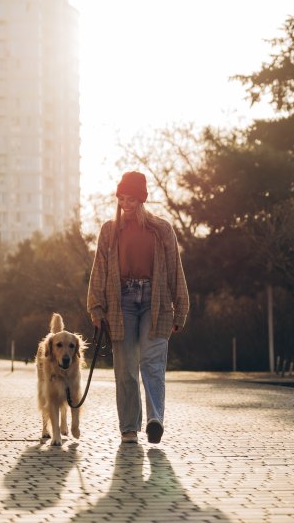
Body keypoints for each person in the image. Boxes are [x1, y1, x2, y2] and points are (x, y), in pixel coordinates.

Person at [87, 171, 189, 444]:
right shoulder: (110, 230)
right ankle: (129, 428)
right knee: (126, 368)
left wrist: (180, 310)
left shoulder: (162, 230)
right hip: (122, 303)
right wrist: (96, 309)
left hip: (155, 304)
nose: (125, 203)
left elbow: (175, 272)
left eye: (131, 198)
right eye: (121, 198)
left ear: (142, 199)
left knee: (152, 363)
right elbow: (98, 270)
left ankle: (155, 420)